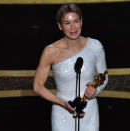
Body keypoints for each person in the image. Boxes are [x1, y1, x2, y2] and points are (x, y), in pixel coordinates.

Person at [33, 3, 108, 131]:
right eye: (67, 23)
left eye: (76, 21)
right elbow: (37, 87)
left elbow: (104, 75)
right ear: (60, 26)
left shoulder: (95, 46)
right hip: (62, 111)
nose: (73, 27)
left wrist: (96, 88)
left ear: (81, 22)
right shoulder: (50, 51)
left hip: (89, 110)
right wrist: (63, 103)